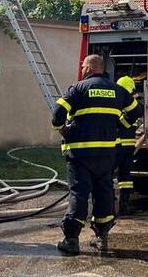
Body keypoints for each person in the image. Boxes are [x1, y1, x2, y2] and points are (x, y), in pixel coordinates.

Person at [52, 54, 141, 255]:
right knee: (104, 193)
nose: (81, 69)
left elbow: (57, 113)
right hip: (107, 154)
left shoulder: (78, 89)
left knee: (79, 193)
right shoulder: (117, 90)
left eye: (83, 66)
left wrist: (62, 128)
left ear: (90, 68)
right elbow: (136, 110)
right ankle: (102, 238)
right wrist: (120, 125)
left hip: (80, 154)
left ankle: (72, 239)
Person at [114, 75, 138, 216]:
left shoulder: (116, 101)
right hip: (128, 146)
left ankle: (110, 204)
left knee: (107, 174)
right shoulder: (132, 103)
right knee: (125, 177)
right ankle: (124, 205)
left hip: (116, 145)